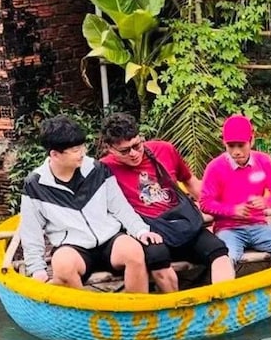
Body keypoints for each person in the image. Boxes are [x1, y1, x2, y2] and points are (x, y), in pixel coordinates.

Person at [17, 115, 162, 293]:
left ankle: (136, 311)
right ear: (55, 154)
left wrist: (140, 230)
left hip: (110, 239)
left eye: (82, 147)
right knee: (62, 265)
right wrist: (37, 270)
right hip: (72, 246)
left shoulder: (97, 169)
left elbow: (121, 208)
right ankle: (86, 315)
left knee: (134, 251)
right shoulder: (35, 185)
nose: (83, 153)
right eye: (76, 150)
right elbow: (31, 233)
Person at [100, 113, 235, 292]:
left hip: (182, 223)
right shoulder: (104, 169)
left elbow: (191, 182)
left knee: (219, 251)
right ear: (110, 148)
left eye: (136, 146)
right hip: (149, 231)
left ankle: (225, 302)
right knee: (158, 260)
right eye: (125, 151)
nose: (133, 154)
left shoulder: (163, 150)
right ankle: (176, 309)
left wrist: (220, 209)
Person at [200, 115, 271, 263]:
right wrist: (232, 210)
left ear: (251, 141)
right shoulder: (215, 167)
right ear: (224, 143)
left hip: (259, 225)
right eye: (231, 146)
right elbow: (205, 203)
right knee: (226, 260)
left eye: (241, 145)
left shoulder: (264, 161)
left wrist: (266, 202)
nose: (236, 152)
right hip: (227, 229)